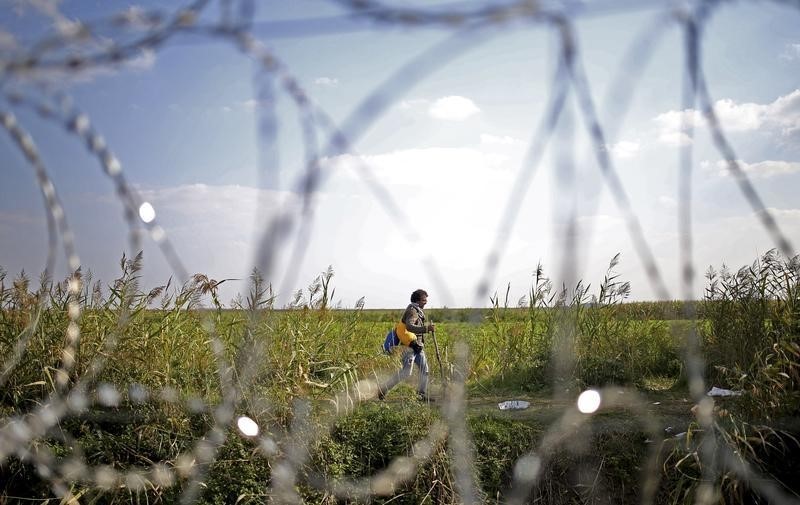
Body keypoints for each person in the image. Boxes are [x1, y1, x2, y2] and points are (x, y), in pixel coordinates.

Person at [378, 289, 436, 402]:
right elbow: (409, 327)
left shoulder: (416, 310)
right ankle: (383, 389)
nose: (426, 302)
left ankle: (421, 395)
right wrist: (426, 329)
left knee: (425, 369)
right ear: (417, 300)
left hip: (417, 346)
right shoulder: (412, 311)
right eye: (424, 300)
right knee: (406, 372)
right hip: (409, 347)